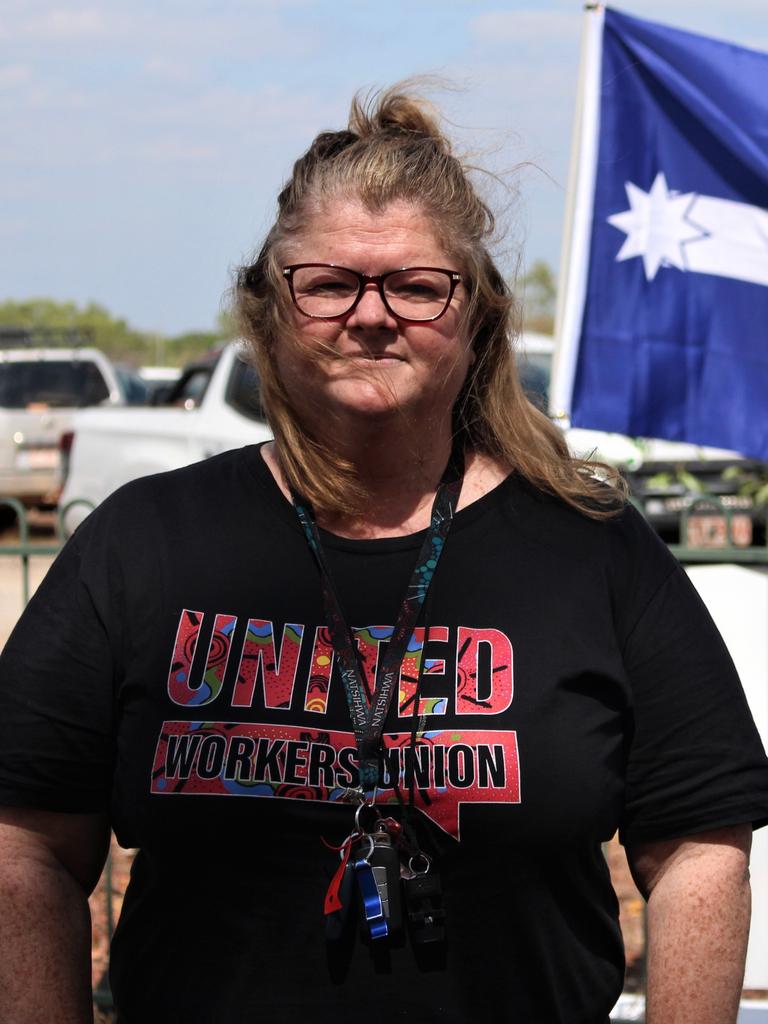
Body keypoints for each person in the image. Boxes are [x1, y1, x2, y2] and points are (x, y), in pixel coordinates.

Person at [0, 85, 767, 1024]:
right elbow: (23, 846)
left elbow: (700, 850)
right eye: (327, 283)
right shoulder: (143, 540)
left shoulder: (595, 549)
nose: (370, 315)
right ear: (268, 311)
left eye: (413, 284)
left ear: (476, 313)